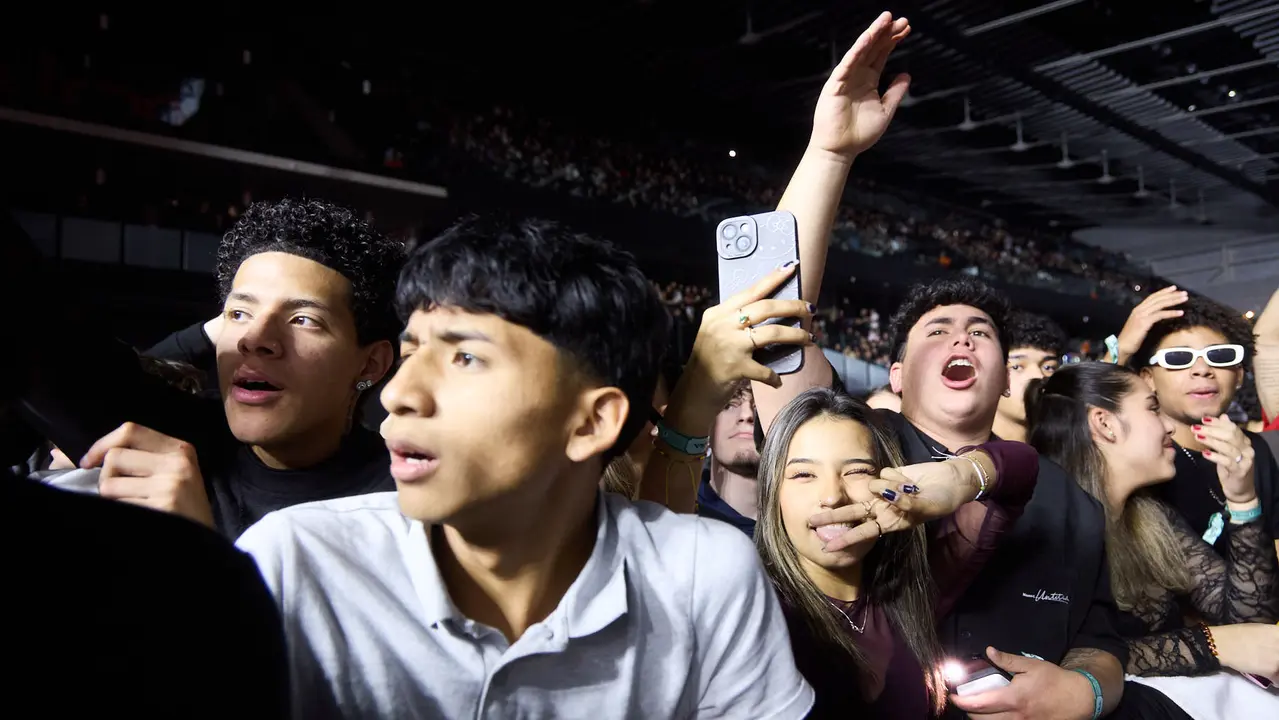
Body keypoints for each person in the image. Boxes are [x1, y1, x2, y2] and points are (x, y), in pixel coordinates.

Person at [236, 216, 816, 719]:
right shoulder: (292, 564)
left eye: (465, 357)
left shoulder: (705, 577)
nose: (398, 395)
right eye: (411, 353)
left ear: (592, 422)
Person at [12, 198, 403, 538]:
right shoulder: (173, 433)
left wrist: (198, 549)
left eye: (303, 320)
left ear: (371, 362)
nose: (254, 338)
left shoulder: (405, 504)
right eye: (238, 313)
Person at [757, 387, 1039, 718]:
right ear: (773, 492)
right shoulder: (753, 610)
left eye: (857, 471)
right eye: (804, 474)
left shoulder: (912, 589)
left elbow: (1023, 467)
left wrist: (958, 476)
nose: (833, 496)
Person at [1026, 362, 1279, 717]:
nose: (1170, 426)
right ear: (1104, 423)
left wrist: (1243, 499)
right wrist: (1212, 644)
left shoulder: (1152, 517)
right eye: (1153, 408)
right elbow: (1060, 658)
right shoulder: (1046, 525)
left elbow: (1251, 620)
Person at [1117, 289, 1279, 557]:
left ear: (1238, 375)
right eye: (1179, 359)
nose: (1202, 369)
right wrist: (1119, 352)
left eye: (1220, 356)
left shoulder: (1254, 451)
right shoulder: (1137, 458)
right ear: (1148, 378)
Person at [696, 381, 761, 536]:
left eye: (759, 405)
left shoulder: (806, 524)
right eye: (729, 404)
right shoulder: (678, 511)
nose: (746, 415)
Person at [992, 311, 1066, 443]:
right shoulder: (965, 457)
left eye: (1048, 367)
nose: (1038, 376)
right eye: (1017, 367)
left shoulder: (1066, 455)